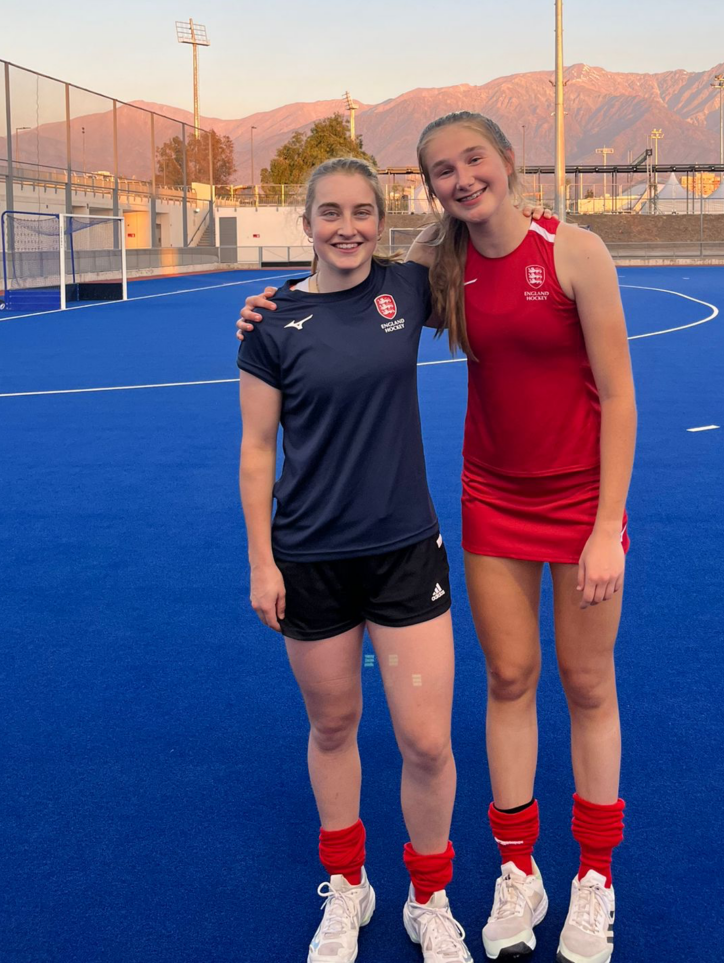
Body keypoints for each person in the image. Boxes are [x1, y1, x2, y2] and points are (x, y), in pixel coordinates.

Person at [239, 114, 635, 963]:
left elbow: (621, 395)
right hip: (490, 499)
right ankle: (516, 869)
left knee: (586, 684)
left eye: (474, 160)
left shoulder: (573, 252)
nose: (461, 179)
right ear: (428, 191)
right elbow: (344, 295)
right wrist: (268, 306)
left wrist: (608, 527)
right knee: (509, 677)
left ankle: (592, 876)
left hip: (577, 505)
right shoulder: (439, 265)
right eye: (441, 171)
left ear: (508, 160)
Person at [238, 156, 471, 963]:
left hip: (405, 550)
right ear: (304, 224)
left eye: (363, 212)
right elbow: (256, 451)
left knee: (426, 743)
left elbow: (467, 229)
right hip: (310, 557)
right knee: (333, 725)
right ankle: (347, 885)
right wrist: (262, 563)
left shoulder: (405, 290)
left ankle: (430, 897)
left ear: (382, 218)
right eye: (330, 213)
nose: (347, 227)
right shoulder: (269, 323)